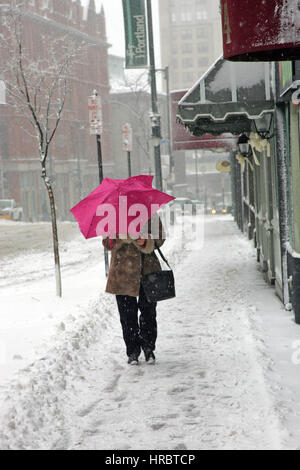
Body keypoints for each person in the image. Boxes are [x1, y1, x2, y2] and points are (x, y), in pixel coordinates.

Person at [102, 218, 165, 365]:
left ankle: (149, 348)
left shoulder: (150, 213)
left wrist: (142, 239)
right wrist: (119, 237)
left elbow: (160, 238)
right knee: (127, 315)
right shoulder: (112, 216)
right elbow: (106, 243)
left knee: (148, 312)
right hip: (122, 273)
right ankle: (132, 351)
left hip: (148, 271)